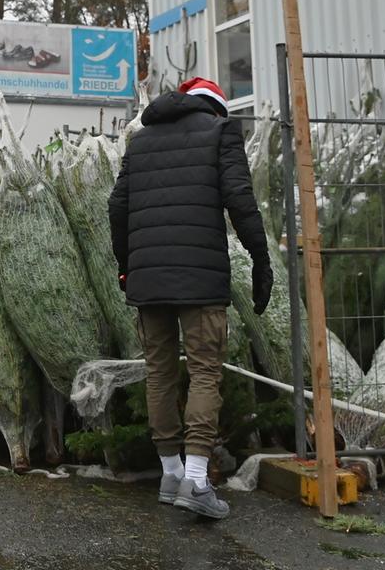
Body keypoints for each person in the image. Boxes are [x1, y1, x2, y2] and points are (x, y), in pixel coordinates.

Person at [109, 76, 272, 520]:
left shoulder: (139, 142)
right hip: (200, 279)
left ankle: (170, 473)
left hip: (146, 278)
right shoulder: (220, 132)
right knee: (204, 371)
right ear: (215, 109)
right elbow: (240, 198)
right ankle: (197, 480)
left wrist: (127, 265)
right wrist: (260, 258)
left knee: (159, 372)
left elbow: (117, 206)